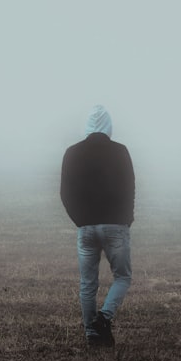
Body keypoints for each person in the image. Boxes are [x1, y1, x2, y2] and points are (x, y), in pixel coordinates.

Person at [60, 105, 135, 348]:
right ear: (109, 126)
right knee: (122, 276)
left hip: (86, 227)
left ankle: (92, 334)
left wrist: (79, 219)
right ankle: (104, 318)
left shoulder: (72, 153)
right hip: (116, 225)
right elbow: (130, 187)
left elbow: (65, 193)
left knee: (87, 284)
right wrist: (127, 218)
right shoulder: (120, 151)